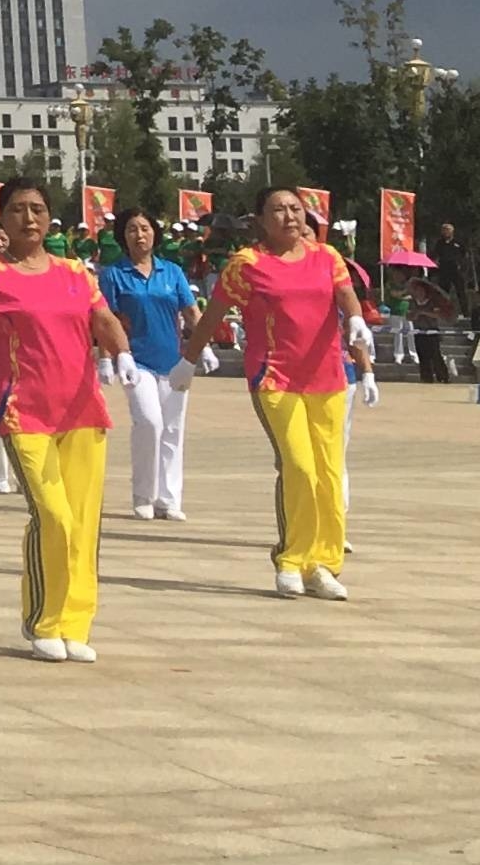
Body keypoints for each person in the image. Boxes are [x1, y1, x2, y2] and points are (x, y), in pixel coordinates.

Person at [0, 177, 126, 660]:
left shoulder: (76, 272)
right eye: (18, 209)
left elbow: (102, 319)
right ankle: (42, 619)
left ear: (50, 215)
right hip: (24, 412)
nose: (29, 218)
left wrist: (123, 353)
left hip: (82, 409)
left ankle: (74, 623)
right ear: (3, 217)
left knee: (83, 523)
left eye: (37, 208)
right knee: (52, 516)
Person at [204, 188, 370, 598]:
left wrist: (355, 322)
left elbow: (345, 293)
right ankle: (292, 558)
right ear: (261, 218)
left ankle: (324, 564)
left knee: (330, 472)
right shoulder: (248, 264)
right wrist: (190, 358)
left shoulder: (326, 256)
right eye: (278, 210)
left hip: (328, 377)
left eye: (296, 209)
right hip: (275, 377)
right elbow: (215, 311)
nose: (289, 216)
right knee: (299, 466)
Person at [97, 208, 200, 523]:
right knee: (150, 423)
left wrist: (201, 347)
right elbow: (105, 320)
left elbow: (192, 312)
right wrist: (105, 358)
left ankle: (168, 499)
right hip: (135, 361)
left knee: (172, 429)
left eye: (144, 228)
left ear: (154, 233)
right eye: (131, 229)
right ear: (123, 236)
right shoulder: (114, 274)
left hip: (173, 362)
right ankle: (143, 495)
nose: (139, 235)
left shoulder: (172, 272)